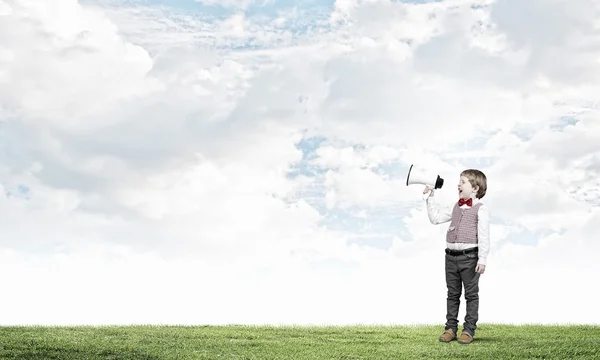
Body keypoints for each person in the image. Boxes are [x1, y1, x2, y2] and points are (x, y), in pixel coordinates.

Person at [423, 169, 490, 344]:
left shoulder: (481, 210)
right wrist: (430, 197)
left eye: (462, 182)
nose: (458, 185)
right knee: (452, 293)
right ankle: (450, 328)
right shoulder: (455, 206)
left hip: (470, 258)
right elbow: (435, 219)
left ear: (475, 188)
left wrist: (482, 259)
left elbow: (484, 236)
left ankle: (468, 330)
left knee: (470, 295)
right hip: (450, 257)